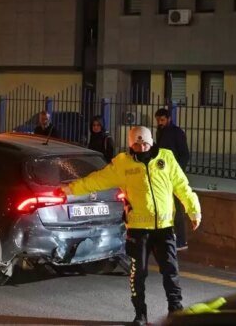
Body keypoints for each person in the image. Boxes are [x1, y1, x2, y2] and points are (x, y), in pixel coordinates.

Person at [62, 126, 201, 326]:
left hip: (164, 228)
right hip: (138, 230)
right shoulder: (123, 164)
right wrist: (70, 189)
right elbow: (97, 181)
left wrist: (194, 210)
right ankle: (140, 314)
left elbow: (182, 186)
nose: (142, 147)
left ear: (152, 141)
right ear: (130, 144)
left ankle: (175, 311)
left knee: (171, 271)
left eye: (145, 142)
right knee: (138, 273)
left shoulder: (166, 159)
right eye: (137, 143)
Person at [155, 108, 191, 251]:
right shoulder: (160, 132)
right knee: (165, 207)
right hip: (162, 175)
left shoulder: (177, 133)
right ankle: (169, 238)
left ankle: (181, 241)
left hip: (174, 176)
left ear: (169, 119)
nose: (160, 122)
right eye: (158, 120)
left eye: (162, 120)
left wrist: (177, 172)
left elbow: (184, 155)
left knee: (176, 208)